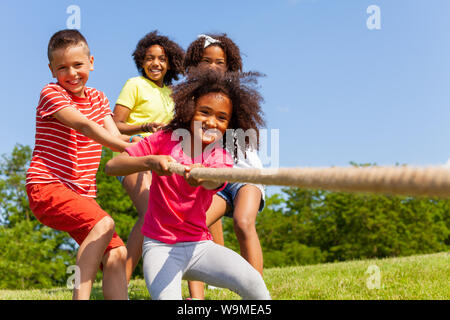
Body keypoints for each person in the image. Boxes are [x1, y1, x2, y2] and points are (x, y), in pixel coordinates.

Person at [105, 69, 270, 300]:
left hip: (199, 246)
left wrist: (204, 177)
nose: (211, 122)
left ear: (230, 125)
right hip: (160, 248)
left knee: (254, 283)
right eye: (204, 112)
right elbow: (112, 167)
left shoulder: (220, 156)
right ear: (190, 109)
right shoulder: (164, 139)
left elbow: (216, 181)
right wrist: (150, 161)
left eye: (221, 118)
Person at [25, 29, 131, 300]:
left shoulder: (98, 99)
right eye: (62, 68)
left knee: (117, 253)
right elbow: (83, 125)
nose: (71, 73)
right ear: (51, 69)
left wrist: (152, 144)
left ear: (91, 62)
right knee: (104, 223)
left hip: (81, 195)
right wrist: (126, 145)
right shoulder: (51, 93)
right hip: (47, 186)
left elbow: (114, 139)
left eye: (78, 65)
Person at [184, 33, 266, 299]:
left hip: (244, 173)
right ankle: (197, 297)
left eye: (220, 62)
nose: (212, 67)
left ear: (229, 67)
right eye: (206, 61)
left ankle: (256, 293)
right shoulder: (188, 99)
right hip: (215, 180)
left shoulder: (236, 95)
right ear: (194, 65)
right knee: (192, 226)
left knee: (243, 222)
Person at [112, 31, 185, 283]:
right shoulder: (134, 84)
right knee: (148, 213)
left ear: (170, 63)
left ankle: (166, 278)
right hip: (133, 155)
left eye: (162, 59)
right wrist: (143, 127)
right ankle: (120, 282)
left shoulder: (173, 93)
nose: (156, 63)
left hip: (162, 164)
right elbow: (115, 125)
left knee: (167, 219)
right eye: (150, 58)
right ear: (141, 61)